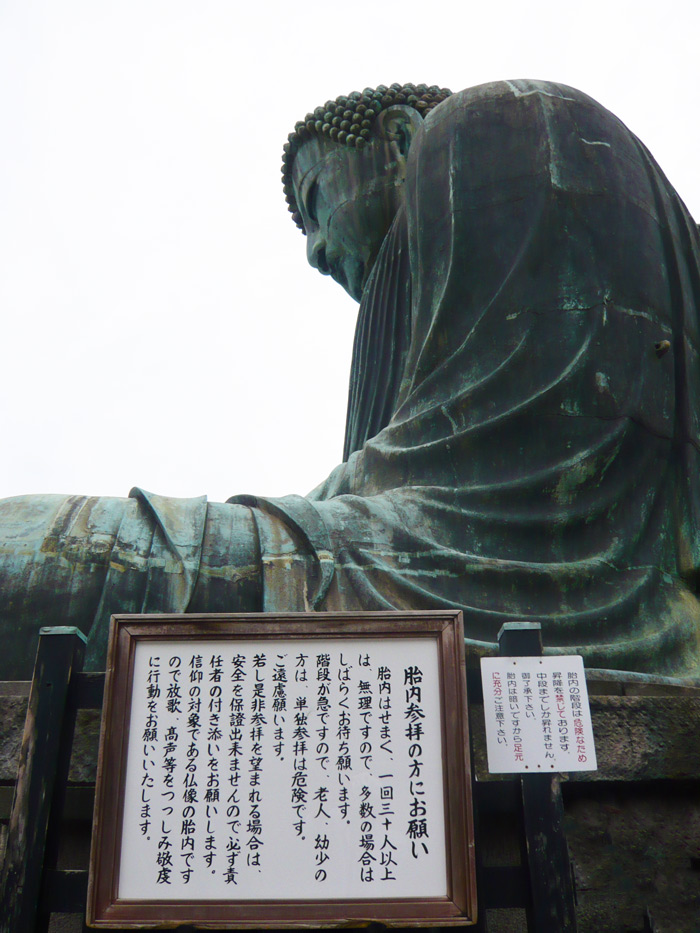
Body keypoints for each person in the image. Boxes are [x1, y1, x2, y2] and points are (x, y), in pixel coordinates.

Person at [2, 79, 700, 682]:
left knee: (51, 554)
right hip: (431, 571)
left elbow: (474, 496)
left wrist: (272, 533)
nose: (315, 251)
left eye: (314, 201)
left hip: (483, 586)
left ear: (398, 139)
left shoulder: (495, 128)